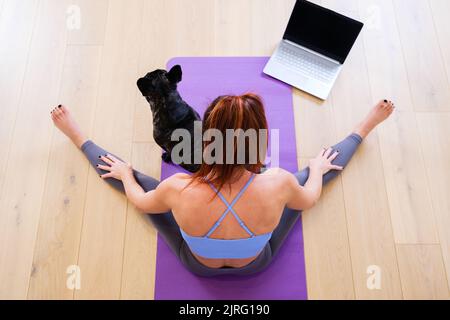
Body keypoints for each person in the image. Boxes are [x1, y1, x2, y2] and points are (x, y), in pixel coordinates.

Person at [51, 94, 394, 277]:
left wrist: (127, 176)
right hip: (257, 262)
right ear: (259, 141)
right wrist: (317, 170)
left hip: (196, 263)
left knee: (138, 181)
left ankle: (77, 136)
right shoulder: (279, 183)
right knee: (309, 174)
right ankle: (365, 127)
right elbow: (309, 200)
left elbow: (140, 203)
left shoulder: (179, 186)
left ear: (207, 139)